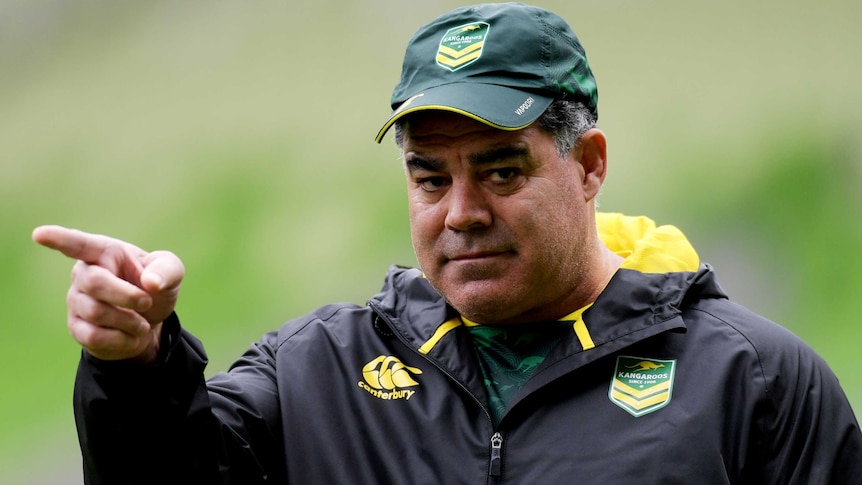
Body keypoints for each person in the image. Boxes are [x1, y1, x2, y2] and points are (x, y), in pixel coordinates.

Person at [32, 3, 862, 484]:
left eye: (501, 171)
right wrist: (136, 364)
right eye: (430, 178)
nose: (459, 211)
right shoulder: (318, 371)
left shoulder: (751, 383)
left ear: (589, 165)